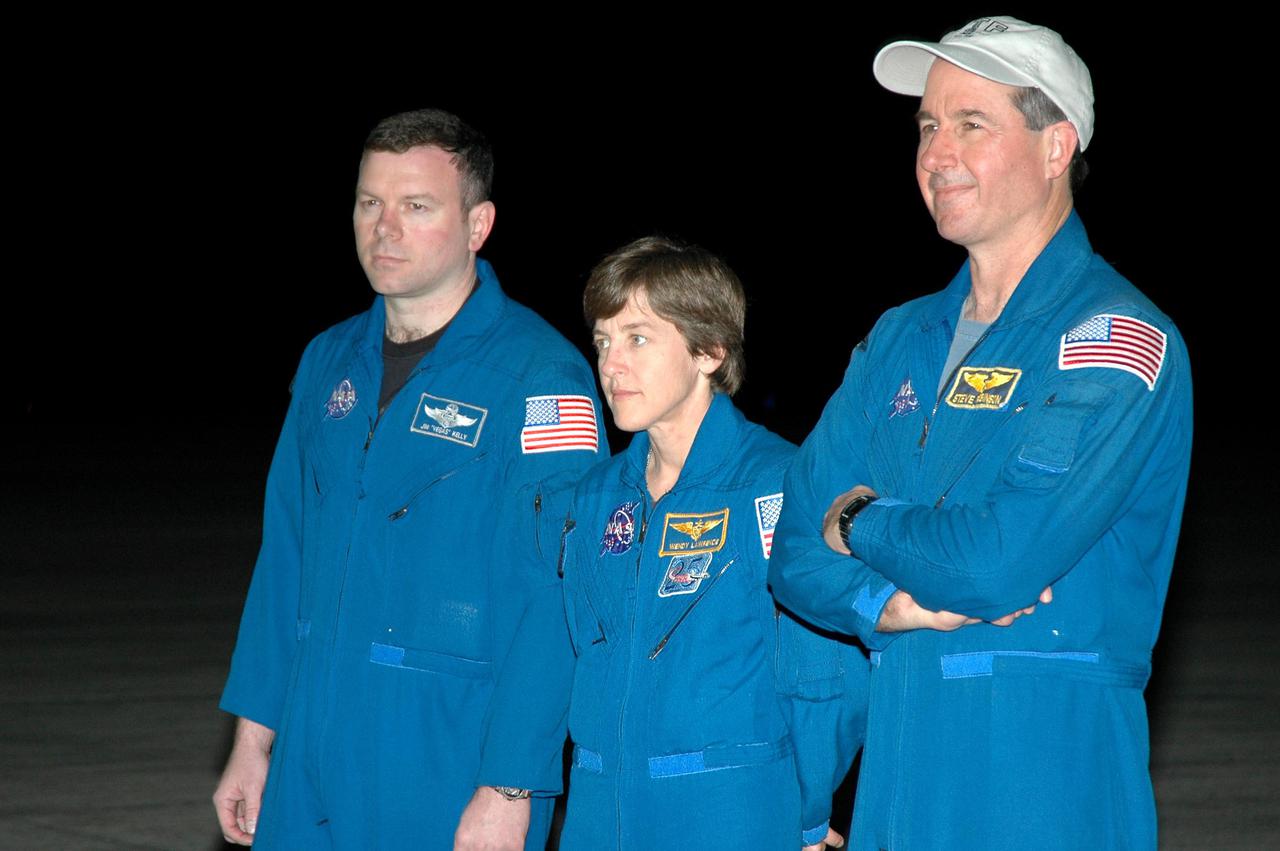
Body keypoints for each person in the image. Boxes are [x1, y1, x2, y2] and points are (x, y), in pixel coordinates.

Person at [769, 17, 1192, 850]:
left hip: (1044, 773)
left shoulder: (1114, 337)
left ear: (1054, 146)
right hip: (898, 764)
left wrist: (857, 522)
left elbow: (998, 560)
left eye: (971, 123)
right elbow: (789, 549)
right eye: (927, 126)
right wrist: (882, 603)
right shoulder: (897, 338)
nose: (935, 153)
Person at [212, 109, 605, 850]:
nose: (384, 228)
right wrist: (253, 737)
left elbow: (557, 595)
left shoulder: (541, 379)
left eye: (416, 206)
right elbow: (284, 559)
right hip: (310, 748)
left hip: (446, 752)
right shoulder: (328, 363)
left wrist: (511, 783)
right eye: (370, 202)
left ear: (477, 224)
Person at [555, 237, 865, 849]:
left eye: (637, 338)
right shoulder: (595, 496)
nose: (611, 364)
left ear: (709, 351)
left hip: (731, 812)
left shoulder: (775, 485)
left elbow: (826, 674)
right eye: (603, 342)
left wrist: (803, 813)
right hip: (598, 811)